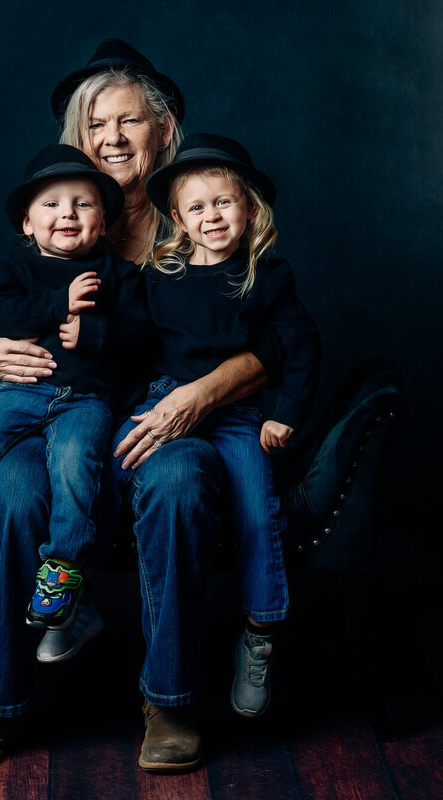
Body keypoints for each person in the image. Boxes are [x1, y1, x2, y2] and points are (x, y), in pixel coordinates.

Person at [0, 39, 282, 771]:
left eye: (128, 123)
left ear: (164, 130)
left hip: (170, 415)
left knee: (178, 482)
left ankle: (169, 700)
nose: (112, 140)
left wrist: (198, 395)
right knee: (12, 485)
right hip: (65, 409)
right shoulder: (60, 211)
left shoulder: (201, 212)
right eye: (97, 126)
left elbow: (270, 339)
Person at [0, 143, 143, 635]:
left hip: (86, 400)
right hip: (18, 393)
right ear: (26, 222)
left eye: (83, 205)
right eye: (52, 204)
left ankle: (64, 569)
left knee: (77, 465)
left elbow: (142, 338)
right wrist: (60, 303)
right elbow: (0, 317)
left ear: (103, 223)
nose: (67, 213)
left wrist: (96, 334)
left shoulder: (121, 274)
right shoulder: (14, 269)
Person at [136, 133, 319, 718]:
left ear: (250, 209)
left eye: (224, 202)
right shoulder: (159, 278)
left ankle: (260, 635)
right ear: (178, 218)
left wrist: (285, 413)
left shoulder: (267, 276)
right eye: (198, 206)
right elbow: (127, 344)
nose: (212, 216)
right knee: (107, 465)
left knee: (258, 512)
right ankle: (73, 593)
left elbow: (302, 347)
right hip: (165, 401)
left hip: (237, 416)